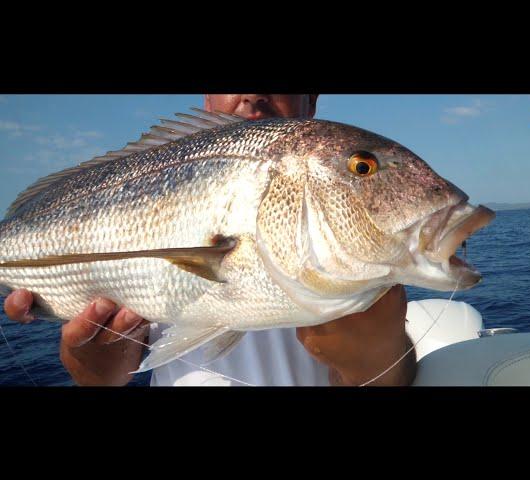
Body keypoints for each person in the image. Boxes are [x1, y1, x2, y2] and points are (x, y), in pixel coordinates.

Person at [3, 94, 416, 386]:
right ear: (207, 99)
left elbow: (389, 378)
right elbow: (104, 377)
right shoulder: (162, 173)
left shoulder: (355, 237)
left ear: (311, 101)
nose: (253, 96)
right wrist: (91, 364)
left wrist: (382, 362)